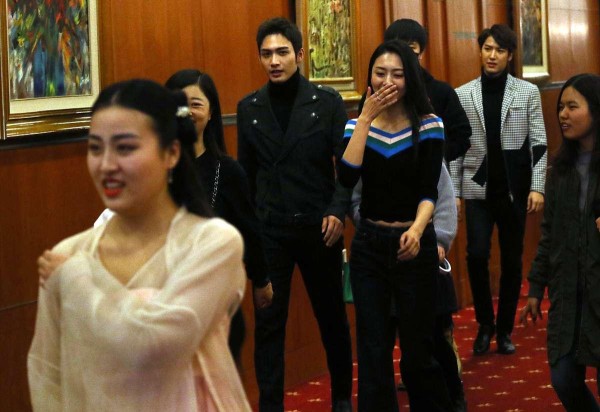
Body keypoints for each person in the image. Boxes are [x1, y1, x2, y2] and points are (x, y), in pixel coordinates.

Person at [28, 79, 251, 411]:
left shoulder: (212, 243)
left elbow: (154, 345)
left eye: (125, 148)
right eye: (95, 148)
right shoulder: (68, 254)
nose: (106, 165)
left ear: (171, 153)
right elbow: (48, 374)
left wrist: (77, 279)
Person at [236, 17, 353, 412]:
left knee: (331, 318)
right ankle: (270, 405)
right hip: (271, 231)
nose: (274, 61)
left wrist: (338, 210)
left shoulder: (327, 103)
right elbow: (247, 177)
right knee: (269, 325)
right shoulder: (249, 108)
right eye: (266, 54)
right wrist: (251, 236)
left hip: (319, 227)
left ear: (300, 55)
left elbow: (347, 167)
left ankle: (341, 397)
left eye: (282, 52)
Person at [339, 39, 452, 411]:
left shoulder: (430, 125)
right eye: (380, 73)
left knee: (418, 352)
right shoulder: (356, 125)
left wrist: (417, 231)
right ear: (369, 77)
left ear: (410, 79)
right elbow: (346, 176)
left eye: (398, 74)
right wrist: (365, 118)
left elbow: (429, 189)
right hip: (370, 245)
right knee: (373, 353)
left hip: (414, 243)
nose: (388, 81)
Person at [449, 24, 547, 355]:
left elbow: (539, 143)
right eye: (487, 48)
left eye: (499, 50)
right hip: (476, 187)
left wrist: (537, 187)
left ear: (510, 56)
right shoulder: (463, 94)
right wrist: (455, 193)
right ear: (480, 51)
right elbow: (456, 149)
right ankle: (484, 324)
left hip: (513, 189)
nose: (492, 55)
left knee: (511, 260)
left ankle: (504, 329)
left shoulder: (527, 92)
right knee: (476, 255)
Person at [165, 69, 273, 365]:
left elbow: (248, 230)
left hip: (215, 300)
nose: (188, 112)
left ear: (211, 112)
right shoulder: (155, 169)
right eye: (180, 103)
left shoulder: (227, 171)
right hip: (163, 296)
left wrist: (261, 279)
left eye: (196, 104)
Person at [350, 163, 466, 411]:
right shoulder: (366, 144)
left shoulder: (424, 141)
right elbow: (355, 196)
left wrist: (440, 239)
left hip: (421, 255)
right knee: (377, 350)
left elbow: (443, 196)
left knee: (427, 345)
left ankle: (454, 397)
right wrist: (373, 228)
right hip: (376, 258)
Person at [520, 73, 600, 412]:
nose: (563, 115)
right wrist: (536, 287)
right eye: (561, 108)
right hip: (568, 290)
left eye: (572, 107)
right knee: (563, 377)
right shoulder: (561, 168)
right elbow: (548, 233)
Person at [384, 18, 472, 163]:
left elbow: (462, 137)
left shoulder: (442, 92)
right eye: (398, 47)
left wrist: (433, 158)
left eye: (411, 48)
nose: (404, 54)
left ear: (421, 53)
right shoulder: (375, 93)